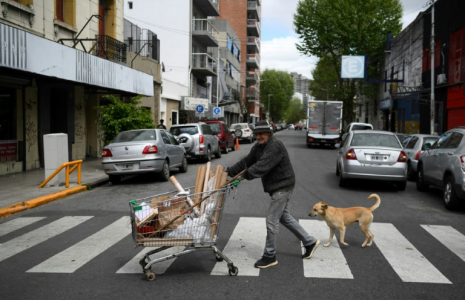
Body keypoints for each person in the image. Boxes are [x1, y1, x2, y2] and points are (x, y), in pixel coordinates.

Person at [226, 120, 320, 269]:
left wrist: (241, 177)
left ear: (269, 133)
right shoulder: (259, 147)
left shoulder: (274, 146)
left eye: (262, 133)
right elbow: (247, 162)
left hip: (283, 185)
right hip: (278, 186)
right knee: (284, 217)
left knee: (271, 219)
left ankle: (270, 256)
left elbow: (260, 166)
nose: (259, 136)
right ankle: (310, 241)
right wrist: (229, 171)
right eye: (257, 134)